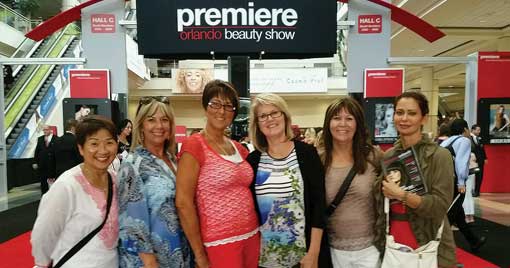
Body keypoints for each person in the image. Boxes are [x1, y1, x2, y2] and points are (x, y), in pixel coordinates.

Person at [176, 80, 259, 268]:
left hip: (252, 236)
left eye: (228, 106)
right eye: (215, 104)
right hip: (219, 244)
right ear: (205, 107)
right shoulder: (194, 145)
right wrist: (199, 254)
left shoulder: (240, 148)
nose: (221, 111)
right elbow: (183, 203)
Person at [374, 92, 457, 268]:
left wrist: (403, 195)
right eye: (399, 112)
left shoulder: (439, 156)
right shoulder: (389, 155)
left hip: (428, 243)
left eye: (412, 113)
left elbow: (440, 205)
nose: (404, 118)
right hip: (394, 243)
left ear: (423, 118)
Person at [247, 93, 330, 268]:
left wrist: (313, 253)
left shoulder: (307, 154)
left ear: (285, 116)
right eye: (263, 116)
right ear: (257, 124)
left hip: (303, 258)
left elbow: (318, 206)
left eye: (274, 113)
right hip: (265, 259)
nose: (269, 119)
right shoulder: (253, 161)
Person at [31, 116, 119, 268]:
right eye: (94, 143)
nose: (103, 150)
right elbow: (43, 235)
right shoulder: (66, 186)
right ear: (80, 148)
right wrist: (43, 263)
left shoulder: (116, 180)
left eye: (109, 142)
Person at [117, 96, 192, 268]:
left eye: (164, 120)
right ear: (141, 126)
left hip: (181, 253)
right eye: (151, 120)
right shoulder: (132, 165)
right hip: (150, 261)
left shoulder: (175, 161)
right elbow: (132, 225)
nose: (159, 126)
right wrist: (149, 262)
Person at [317, 97, 381, 268]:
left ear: (358, 124)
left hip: (371, 250)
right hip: (332, 250)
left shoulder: (373, 156)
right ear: (328, 123)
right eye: (337, 118)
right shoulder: (318, 160)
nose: (342, 124)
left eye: (349, 118)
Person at [440, 118, 486, 252]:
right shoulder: (464, 141)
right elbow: (461, 163)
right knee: (450, 214)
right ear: (465, 129)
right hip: (455, 183)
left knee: (458, 214)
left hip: (444, 181)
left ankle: (474, 241)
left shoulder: (446, 142)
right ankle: (436, 242)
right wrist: (461, 182)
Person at [33, 125, 56, 194]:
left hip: (52, 165)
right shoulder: (40, 139)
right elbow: (37, 151)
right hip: (42, 165)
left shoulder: (56, 139)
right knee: (43, 183)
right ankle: (44, 197)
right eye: (44, 130)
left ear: (50, 130)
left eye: (46, 130)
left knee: (52, 183)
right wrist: (35, 162)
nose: (45, 131)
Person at [470, 124, 487, 197]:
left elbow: (483, 149)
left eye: (479, 130)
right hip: (472, 160)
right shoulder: (468, 138)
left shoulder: (479, 138)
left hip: (480, 160)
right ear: (473, 130)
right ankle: (469, 190)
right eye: (478, 130)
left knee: (480, 176)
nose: (479, 131)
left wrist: (485, 158)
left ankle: (477, 191)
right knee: (470, 176)